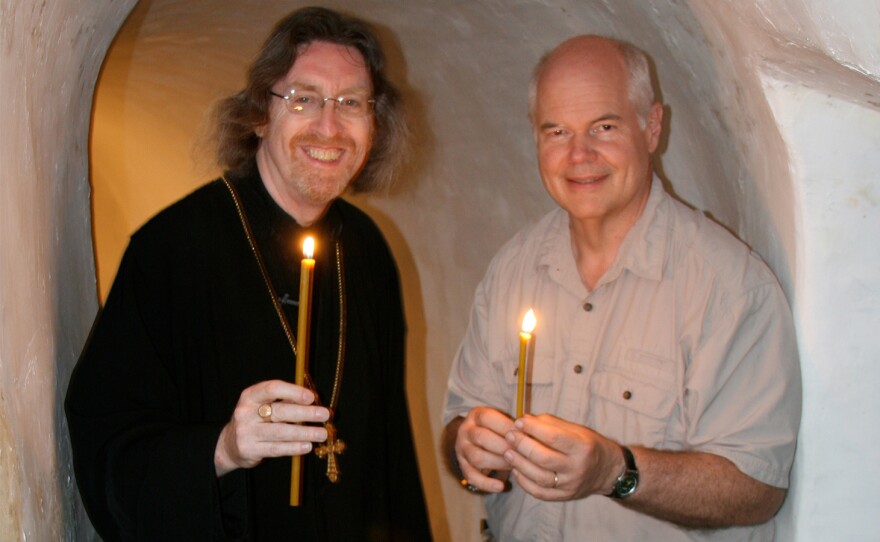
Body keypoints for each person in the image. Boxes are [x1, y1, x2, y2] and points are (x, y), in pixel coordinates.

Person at [66, 7, 431, 541]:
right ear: (260, 113)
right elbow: (109, 448)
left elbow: (390, 456)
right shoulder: (173, 250)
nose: (329, 127)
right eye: (303, 98)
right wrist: (223, 448)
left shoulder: (368, 251)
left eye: (351, 103)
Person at [442, 35, 801, 541]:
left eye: (604, 127)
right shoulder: (513, 269)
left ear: (652, 127)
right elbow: (460, 419)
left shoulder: (729, 287)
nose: (579, 155)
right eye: (557, 131)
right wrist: (468, 444)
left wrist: (618, 471)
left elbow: (757, 488)